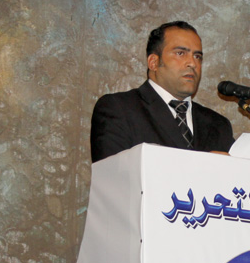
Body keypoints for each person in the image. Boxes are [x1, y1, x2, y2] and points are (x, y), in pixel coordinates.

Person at [90, 21, 235, 163]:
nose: (192, 63)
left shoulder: (218, 125)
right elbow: (113, 174)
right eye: (180, 53)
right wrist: (204, 166)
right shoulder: (119, 109)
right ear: (153, 62)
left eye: (197, 56)